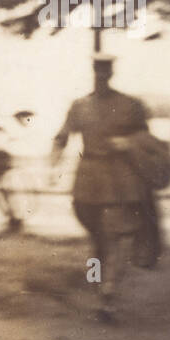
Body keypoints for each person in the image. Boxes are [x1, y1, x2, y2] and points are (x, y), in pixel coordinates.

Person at [51, 54, 150, 323]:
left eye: (106, 71)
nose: (102, 76)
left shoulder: (129, 105)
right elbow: (62, 136)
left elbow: (146, 138)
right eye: (98, 71)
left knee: (114, 238)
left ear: (112, 73)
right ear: (93, 72)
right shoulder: (80, 106)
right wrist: (53, 164)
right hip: (87, 182)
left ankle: (108, 295)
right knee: (98, 242)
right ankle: (101, 292)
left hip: (120, 180)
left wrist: (129, 142)